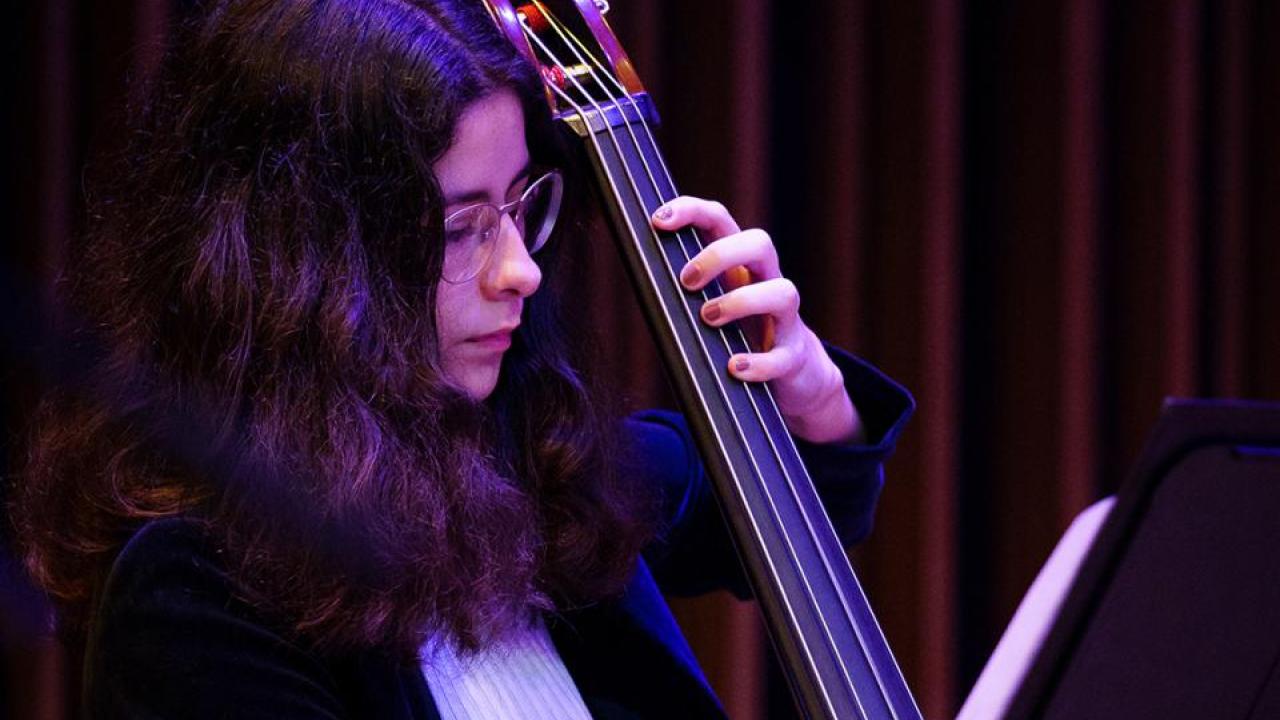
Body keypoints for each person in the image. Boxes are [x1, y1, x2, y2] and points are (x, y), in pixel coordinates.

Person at [11, 1, 913, 717]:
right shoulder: (196, 594)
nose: (519, 268)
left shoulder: (539, 481)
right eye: (456, 229)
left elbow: (813, 495)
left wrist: (804, 390)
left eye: (523, 205)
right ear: (302, 263)